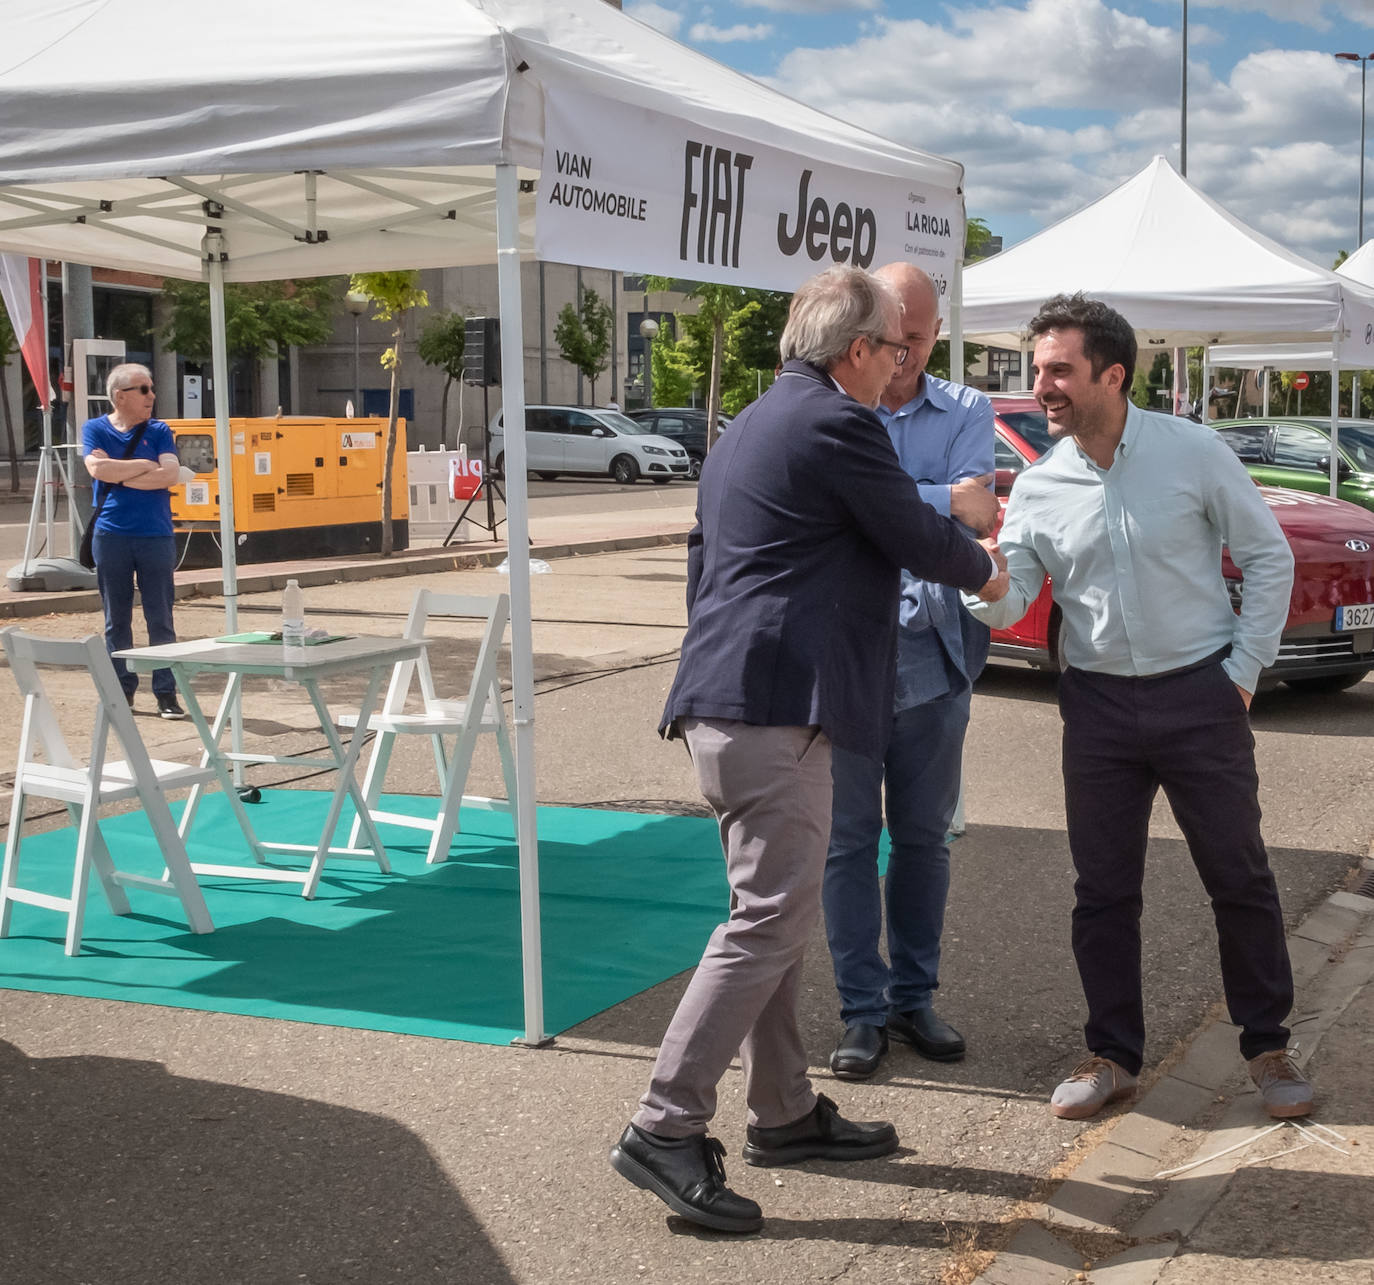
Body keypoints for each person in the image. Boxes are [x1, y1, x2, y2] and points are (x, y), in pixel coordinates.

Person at [609, 266, 1009, 1233]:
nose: (904, 363)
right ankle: (664, 1124)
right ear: (857, 350)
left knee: (773, 918)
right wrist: (982, 565)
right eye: (896, 347)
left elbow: (707, 564)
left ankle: (783, 1110)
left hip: (740, 703)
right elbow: (915, 530)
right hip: (773, 711)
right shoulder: (838, 423)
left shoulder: (751, 421)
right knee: (765, 925)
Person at [964, 294, 1313, 1122]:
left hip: (1200, 695)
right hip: (1097, 708)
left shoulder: (1194, 451)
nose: (1041, 385)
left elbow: (1268, 556)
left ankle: (1267, 1044)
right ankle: (1113, 1055)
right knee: (1104, 890)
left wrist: (1241, 671)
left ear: (1112, 375)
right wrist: (975, 573)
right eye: (1038, 368)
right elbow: (1011, 597)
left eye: (1059, 370)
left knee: (1239, 876)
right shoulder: (1042, 483)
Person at [823, 262, 999, 1080]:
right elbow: (872, 508)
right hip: (851, 658)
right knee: (849, 841)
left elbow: (981, 509)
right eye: (899, 340)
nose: (909, 357)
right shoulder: (837, 403)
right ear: (872, 332)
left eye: (923, 340)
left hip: (933, 650)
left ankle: (912, 996)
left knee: (924, 839)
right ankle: (860, 1010)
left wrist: (901, 500)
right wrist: (933, 499)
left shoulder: (967, 409)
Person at [82, 363, 186, 719]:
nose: (151, 396)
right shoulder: (94, 428)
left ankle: (166, 694)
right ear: (120, 396)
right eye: (143, 389)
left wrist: (121, 471)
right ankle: (121, 693)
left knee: (161, 617)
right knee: (116, 618)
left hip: (155, 534)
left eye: (152, 388)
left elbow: (169, 474)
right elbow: (97, 470)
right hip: (111, 535)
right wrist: (144, 465)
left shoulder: (159, 429)